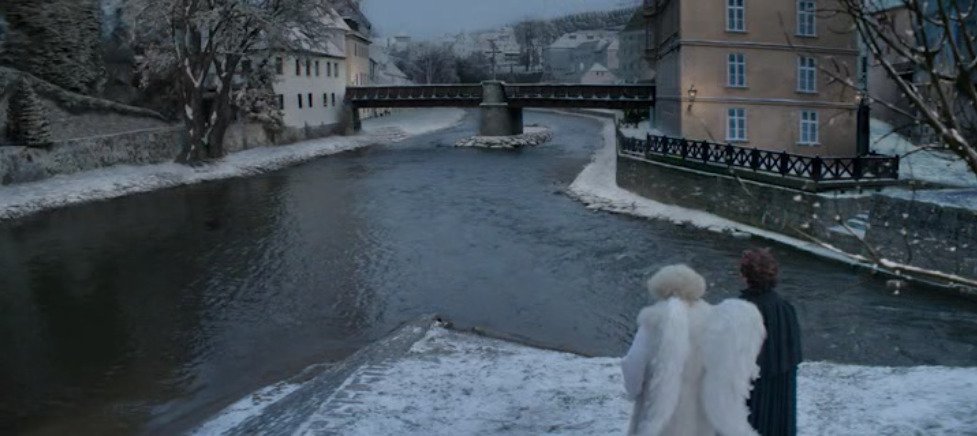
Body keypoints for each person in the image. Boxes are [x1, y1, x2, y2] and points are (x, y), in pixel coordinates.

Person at [622, 264, 766, 436]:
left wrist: (635, 392)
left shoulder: (656, 319)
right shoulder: (713, 318)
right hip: (702, 411)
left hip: (662, 411)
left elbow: (633, 364)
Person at [738, 249, 803, 436]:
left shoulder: (739, 309)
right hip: (781, 386)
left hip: (750, 388)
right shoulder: (786, 307)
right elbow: (793, 352)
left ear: (745, 276)